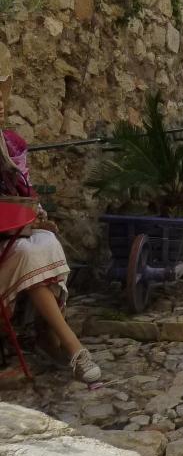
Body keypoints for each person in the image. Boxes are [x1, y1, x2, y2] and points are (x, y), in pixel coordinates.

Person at [0, 74, 102, 384]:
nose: (1, 104)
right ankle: (71, 347)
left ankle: (56, 338)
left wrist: (34, 214)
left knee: (45, 241)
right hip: (7, 243)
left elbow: (22, 191)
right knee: (26, 251)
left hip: (10, 237)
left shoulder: (8, 144)